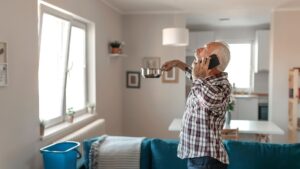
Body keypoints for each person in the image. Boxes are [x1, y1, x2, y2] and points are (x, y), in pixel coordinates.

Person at [161, 41, 231, 169]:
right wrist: (177, 63)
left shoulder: (222, 85)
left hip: (206, 160)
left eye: (204, 48)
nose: (198, 48)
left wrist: (199, 78)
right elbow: (194, 76)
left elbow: (209, 99)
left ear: (212, 61)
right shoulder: (205, 80)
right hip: (198, 156)